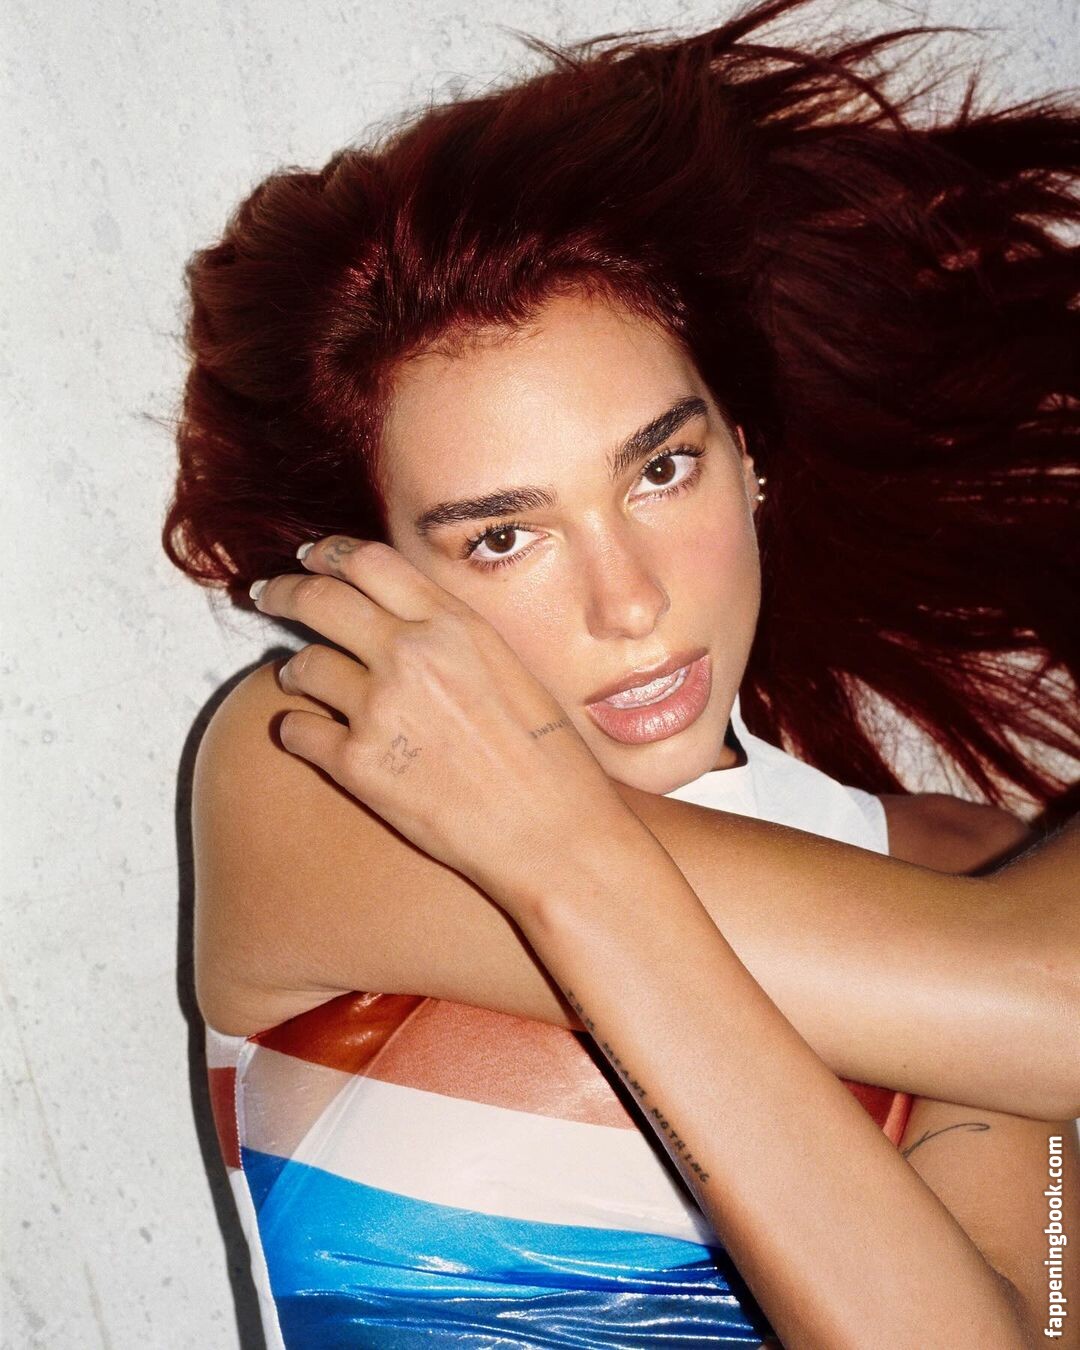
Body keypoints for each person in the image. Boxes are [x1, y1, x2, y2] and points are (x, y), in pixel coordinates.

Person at [164, 0, 1080, 1343]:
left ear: (747, 452)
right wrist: (560, 853)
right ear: (383, 575)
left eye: (662, 468)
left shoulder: (971, 868)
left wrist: (563, 860)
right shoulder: (322, 761)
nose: (631, 599)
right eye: (502, 535)